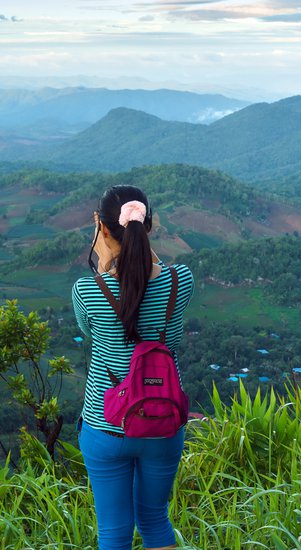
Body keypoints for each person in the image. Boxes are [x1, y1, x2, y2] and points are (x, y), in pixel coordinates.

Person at [71, 185, 194, 550]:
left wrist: (106, 257)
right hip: (163, 422)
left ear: (103, 229)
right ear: (149, 226)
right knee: (156, 520)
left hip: (105, 425)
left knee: (113, 532)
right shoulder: (180, 281)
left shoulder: (87, 289)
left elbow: (89, 331)